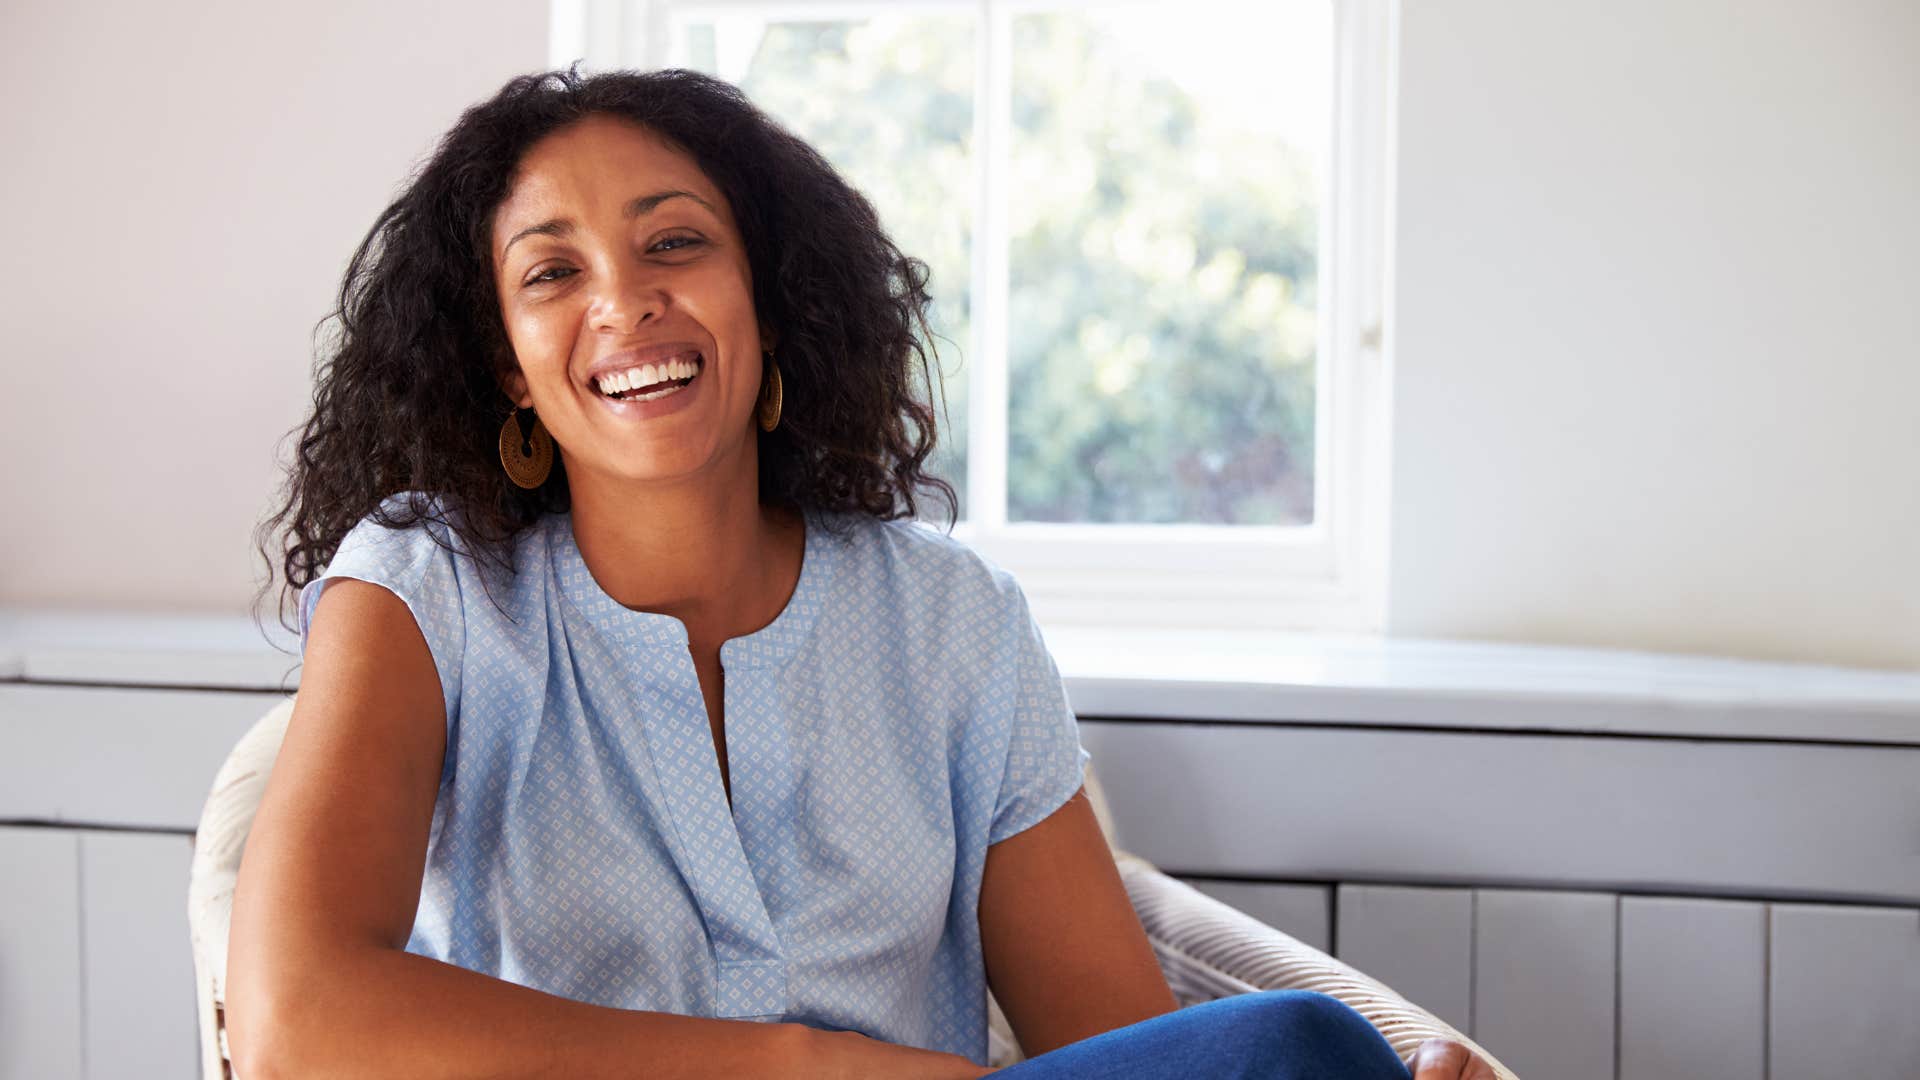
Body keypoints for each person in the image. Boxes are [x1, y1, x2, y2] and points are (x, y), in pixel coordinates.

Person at [229, 65, 1489, 1079]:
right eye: (552, 272)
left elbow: (1119, 1054)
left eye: (675, 244)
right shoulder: (423, 588)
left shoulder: (948, 621)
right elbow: (296, 1025)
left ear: (767, 304)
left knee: (1296, 1054)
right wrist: (799, 1065)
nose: (624, 302)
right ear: (507, 363)